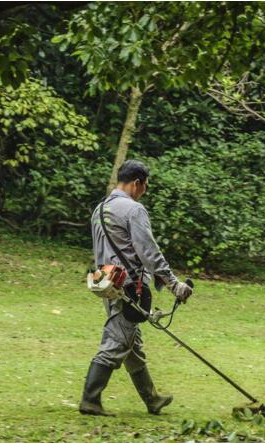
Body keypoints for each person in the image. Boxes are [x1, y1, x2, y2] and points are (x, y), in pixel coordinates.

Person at [79, 159, 193, 417]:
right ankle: (90, 400)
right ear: (137, 183)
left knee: (131, 344)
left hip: (107, 284)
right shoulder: (133, 210)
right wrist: (173, 284)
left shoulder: (99, 209)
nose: (144, 192)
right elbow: (149, 252)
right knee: (116, 342)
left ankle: (152, 399)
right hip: (130, 287)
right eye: (145, 187)